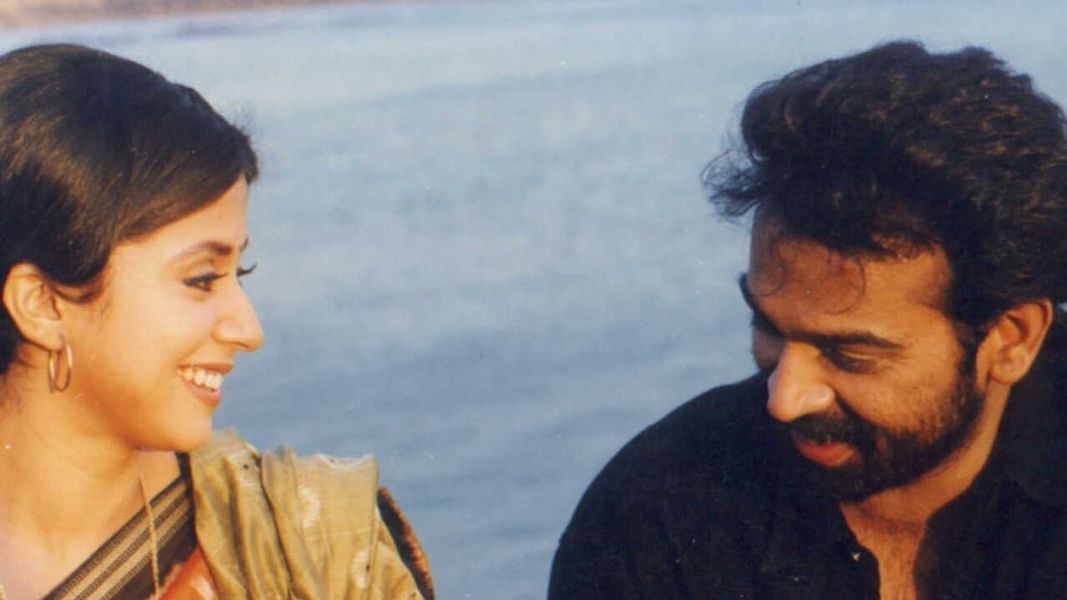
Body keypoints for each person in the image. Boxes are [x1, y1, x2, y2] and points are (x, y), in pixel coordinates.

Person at [549, 41, 1067, 599]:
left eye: (849, 354)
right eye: (768, 327)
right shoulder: (656, 518)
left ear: (1012, 340)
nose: (784, 399)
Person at [0, 44, 432, 599]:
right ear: (42, 304)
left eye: (239, 273)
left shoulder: (308, 547)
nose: (248, 330)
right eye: (201, 279)